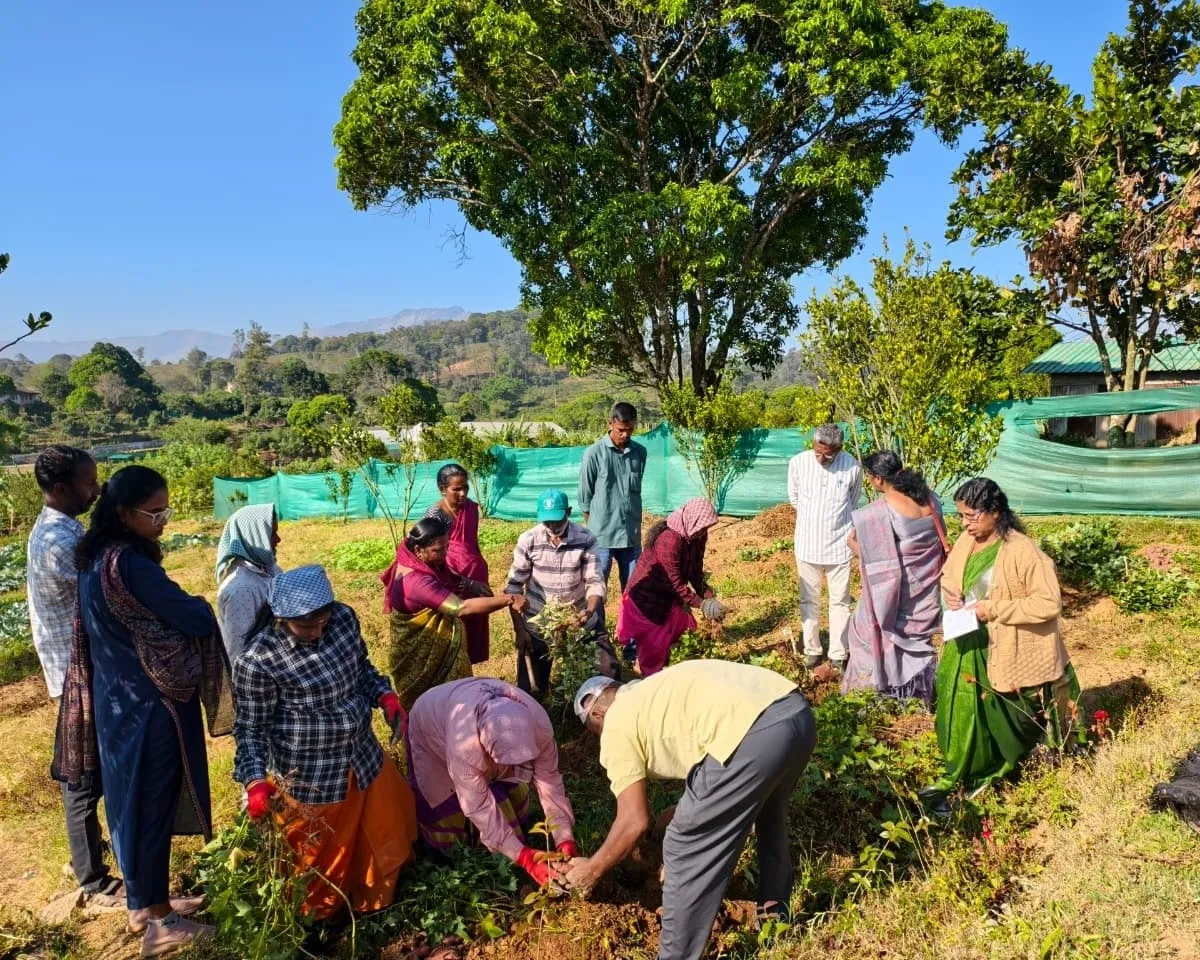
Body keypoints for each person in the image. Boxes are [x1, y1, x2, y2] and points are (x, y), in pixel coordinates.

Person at [55, 466, 232, 957]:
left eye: (165, 511)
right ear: (122, 513)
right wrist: (197, 605)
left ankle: (144, 905)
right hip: (150, 704)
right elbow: (193, 615)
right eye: (154, 513)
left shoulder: (95, 560)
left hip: (118, 706)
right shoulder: (129, 566)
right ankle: (160, 924)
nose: (163, 522)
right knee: (151, 805)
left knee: (129, 804)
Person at [564, 661, 817, 960]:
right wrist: (678, 814)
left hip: (752, 735)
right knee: (769, 820)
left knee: (682, 846)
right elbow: (709, 775)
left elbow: (634, 820)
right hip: (795, 713)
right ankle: (776, 927)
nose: (598, 738)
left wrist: (591, 870)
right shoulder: (651, 692)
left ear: (597, 715)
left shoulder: (615, 724)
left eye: (594, 731)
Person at [233, 565, 418, 919]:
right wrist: (255, 781)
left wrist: (384, 696)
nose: (317, 632)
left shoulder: (343, 619)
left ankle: (372, 902)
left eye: (323, 621)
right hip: (311, 777)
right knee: (314, 864)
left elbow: (362, 669)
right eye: (305, 626)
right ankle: (316, 922)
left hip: (361, 756)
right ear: (281, 617)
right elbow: (250, 729)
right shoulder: (258, 661)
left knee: (383, 834)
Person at [921, 478, 1081, 815]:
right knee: (958, 711)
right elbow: (951, 574)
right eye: (961, 516)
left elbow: (1048, 604)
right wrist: (951, 592)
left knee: (999, 712)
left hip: (1003, 647)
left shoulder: (1022, 551)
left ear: (995, 512)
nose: (964, 524)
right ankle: (960, 772)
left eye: (971, 517)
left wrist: (992, 609)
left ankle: (992, 770)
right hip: (966, 643)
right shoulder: (968, 540)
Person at [26, 446, 123, 911]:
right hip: (75, 674)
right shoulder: (60, 542)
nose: (95, 489)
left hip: (76, 668)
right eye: (88, 483)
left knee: (91, 769)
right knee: (82, 776)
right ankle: (93, 880)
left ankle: (92, 859)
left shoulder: (61, 528)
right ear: (62, 488)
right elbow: (104, 592)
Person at [407, 677, 579, 887]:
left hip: (467, 709)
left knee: (511, 786)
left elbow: (549, 781)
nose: (513, 768)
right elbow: (477, 806)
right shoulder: (464, 748)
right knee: (444, 800)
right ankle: (451, 862)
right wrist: (525, 858)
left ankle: (508, 843)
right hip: (430, 720)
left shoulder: (539, 727)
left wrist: (565, 838)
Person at [383, 515, 527, 709]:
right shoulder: (417, 581)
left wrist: (469, 583)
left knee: (448, 703)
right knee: (431, 707)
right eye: (438, 550)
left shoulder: (418, 560)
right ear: (418, 549)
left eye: (446, 547)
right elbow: (460, 608)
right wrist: (509, 599)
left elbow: (447, 575)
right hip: (419, 660)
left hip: (437, 653)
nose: (444, 554)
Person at [842, 452, 948, 705]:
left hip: (894, 593)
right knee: (917, 640)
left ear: (878, 479)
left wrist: (859, 550)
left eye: (869, 477)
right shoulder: (931, 499)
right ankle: (917, 697)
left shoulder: (878, 512)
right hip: (927, 589)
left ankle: (876, 695)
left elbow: (862, 549)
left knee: (869, 636)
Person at [504, 489, 616, 699]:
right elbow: (513, 587)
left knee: (607, 677)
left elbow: (595, 581)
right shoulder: (529, 540)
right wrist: (520, 630)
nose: (553, 527)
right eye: (547, 522)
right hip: (540, 624)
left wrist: (589, 611)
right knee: (528, 692)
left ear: (569, 512)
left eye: (558, 520)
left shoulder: (585, 539)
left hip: (579, 620)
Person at [616, 497, 727, 676]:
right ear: (693, 520)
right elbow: (675, 582)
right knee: (654, 648)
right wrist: (702, 605)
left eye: (706, 528)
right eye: (702, 526)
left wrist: (708, 596)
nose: (704, 531)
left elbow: (695, 571)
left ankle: (665, 669)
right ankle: (647, 680)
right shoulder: (669, 539)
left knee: (685, 632)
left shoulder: (697, 535)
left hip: (669, 598)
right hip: (648, 600)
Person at [787, 424, 862, 671]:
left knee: (840, 600)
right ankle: (812, 649)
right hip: (807, 544)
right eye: (817, 452)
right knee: (809, 599)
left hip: (839, 546)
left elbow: (852, 501)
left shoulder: (852, 466)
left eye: (827, 455)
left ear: (838, 449)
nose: (821, 458)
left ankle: (838, 654)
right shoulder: (798, 463)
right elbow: (795, 499)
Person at [423, 463, 492, 664]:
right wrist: (466, 582)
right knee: (453, 627)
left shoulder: (471, 509)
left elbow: (473, 542)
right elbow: (432, 557)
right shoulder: (435, 515)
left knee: (474, 625)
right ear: (443, 489)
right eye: (456, 489)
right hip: (449, 578)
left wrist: (480, 572)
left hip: (475, 573)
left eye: (465, 488)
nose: (462, 494)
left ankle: (467, 671)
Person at [579, 402, 647, 595]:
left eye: (630, 430)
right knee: (596, 590)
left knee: (634, 590)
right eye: (621, 430)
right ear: (610, 424)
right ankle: (597, 625)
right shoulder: (593, 453)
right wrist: (596, 528)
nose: (625, 435)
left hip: (631, 535)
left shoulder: (640, 453)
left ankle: (630, 626)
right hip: (603, 537)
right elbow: (585, 497)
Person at [215, 504, 282, 663]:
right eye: (272, 534)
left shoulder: (269, 568)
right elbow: (238, 649)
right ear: (254, 536)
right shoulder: (241, 589)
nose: (278, 539)